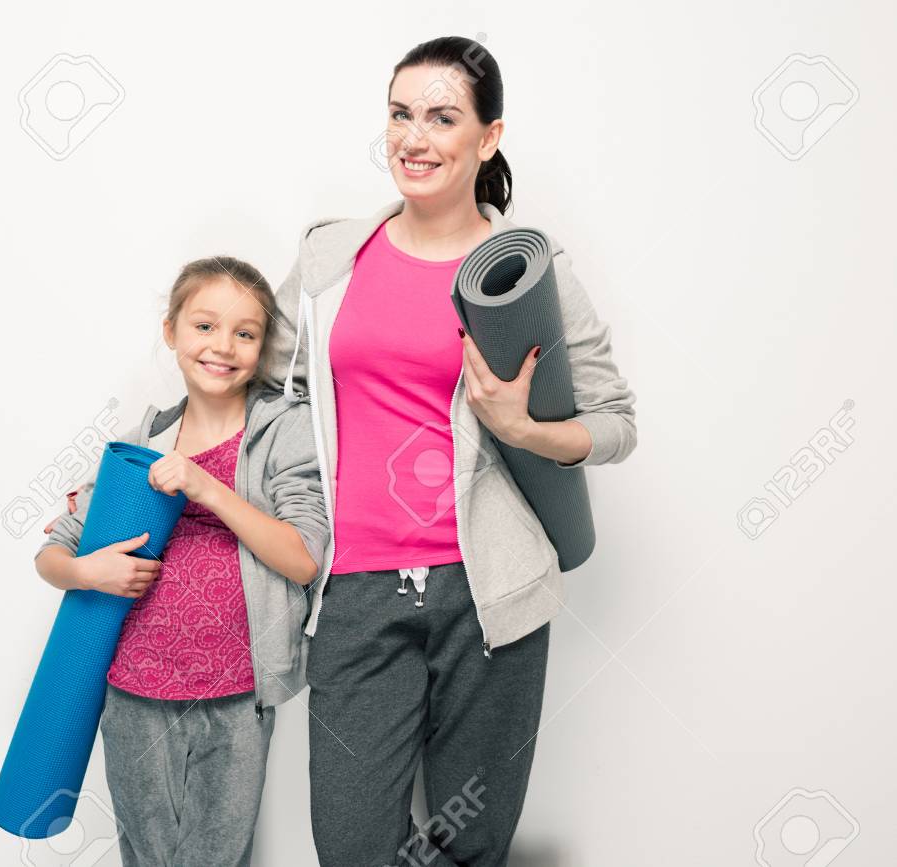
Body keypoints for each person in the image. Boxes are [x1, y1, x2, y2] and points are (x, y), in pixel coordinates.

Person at [255, 36, 640, 866]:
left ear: (488, 137)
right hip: (354, 595)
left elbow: (615, 420)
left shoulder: (525, 270)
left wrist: (524, 429)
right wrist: (156, 454)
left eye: (441, 117)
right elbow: (251, 378)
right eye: (399, 114)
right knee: (354, 844)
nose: (414, 138)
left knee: (471, 845)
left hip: (491, 595)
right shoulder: (331, 258)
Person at [34, 256, 329, 867]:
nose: (222, 346)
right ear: (171, 332)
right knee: (147, 855)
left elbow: (303, 559)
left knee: (217, 857)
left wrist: (209, 488)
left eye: (244, 333)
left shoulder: (284, 430)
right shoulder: (144, 442)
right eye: (203, 326)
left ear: (262, 346)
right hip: (134, 690)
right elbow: (55, 549)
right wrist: (89, 572)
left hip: (236, 693)